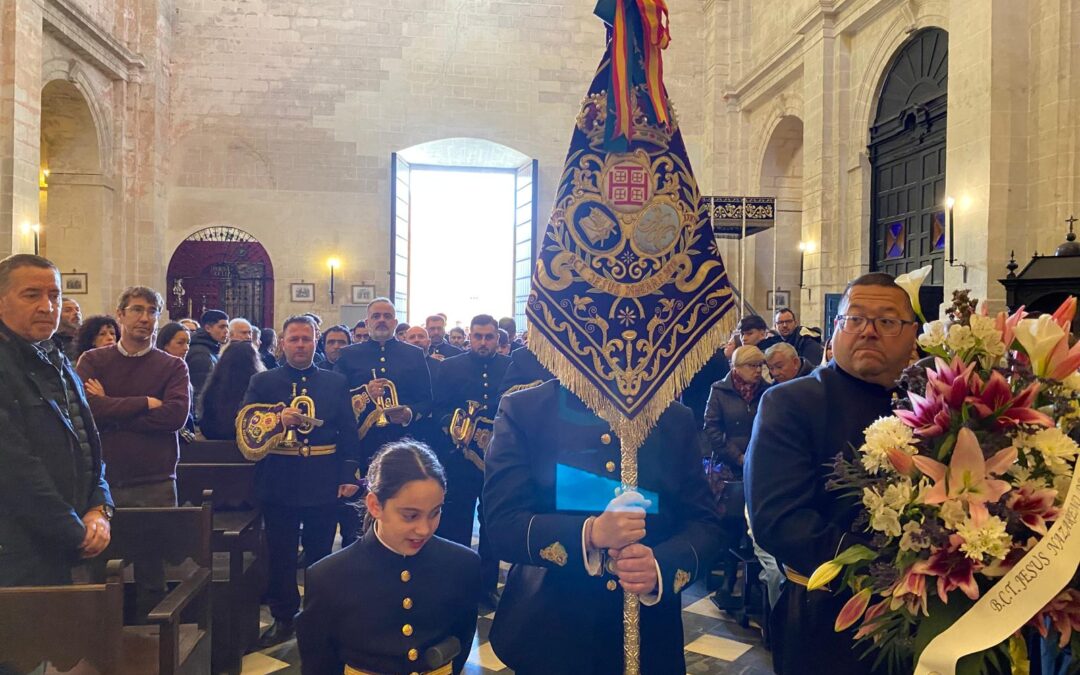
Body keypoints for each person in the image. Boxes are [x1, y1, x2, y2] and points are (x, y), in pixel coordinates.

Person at [745, 272, 920, 675]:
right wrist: (891, 570)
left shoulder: (934, 401)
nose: (869, 332)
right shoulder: (791, 402)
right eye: (855, 319)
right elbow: (779, 520)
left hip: (931, 618)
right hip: (828, 618)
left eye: (887, 321)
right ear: (835, 328)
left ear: (912, 335)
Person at [484, 382, 723, 674]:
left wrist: (662, 567)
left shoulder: (672, 417)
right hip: (552, 633)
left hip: (651, 636)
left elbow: (705, 524)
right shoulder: (525, 409)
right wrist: (589, 533)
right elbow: (502, 524)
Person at [296, 442, 480, 675]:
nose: (424, 529)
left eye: (435, 512)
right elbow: (319, 664)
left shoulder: (462, 565)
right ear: (375, 505)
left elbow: (460, 641)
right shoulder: (329, 577)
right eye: (410, 515)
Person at [237, 315, 362, 647]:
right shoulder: (263, 382)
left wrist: (350, 474)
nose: (301, 345)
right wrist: (277, 419)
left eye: (307, 338)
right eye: (294, 339)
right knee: (281, 554)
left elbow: (348, 432)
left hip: (323, 478)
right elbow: (247, 426)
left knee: (321, 553)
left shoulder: (335, 382)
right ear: (282, 342)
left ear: (316, 340)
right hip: (279, 478)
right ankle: (283, 616)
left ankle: (319, 614)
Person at [76, 286, 191, 618]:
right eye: (137, 310)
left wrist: (112, 409)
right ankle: (101, 645)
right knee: (99, 569)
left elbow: (174, 416)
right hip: (103, 481)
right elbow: (86, 411)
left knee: (152, 572)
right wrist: (143, 403)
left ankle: (151, 648)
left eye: (152, 311)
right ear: (120, 314)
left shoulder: (172, 366)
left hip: (154, 480)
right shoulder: (93, 360)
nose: (145, 318)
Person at [0, 254, 113, 587]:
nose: (47, 306)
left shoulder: (56, 358)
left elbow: (88, 442)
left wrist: (100, 508)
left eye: (54, 295)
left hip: (66, 542)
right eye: (31, 295)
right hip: (17, 552)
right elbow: (15, 469)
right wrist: (76, 531)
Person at [431, 315, 510, 610]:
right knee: (457, 522)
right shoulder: (450, 366)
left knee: (491, 523)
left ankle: (487, 585)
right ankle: (458, 583)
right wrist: (455, 430)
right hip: (460, 458)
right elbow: (438, 407)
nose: (483, 342)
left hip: (497, 459)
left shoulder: (508, 366)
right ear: (469, 337)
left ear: (497, 339)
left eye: (489, 337)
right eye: (478, 336)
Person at [703, 345, 768, 610]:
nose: (757, 372)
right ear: (737, 368)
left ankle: (753, 584)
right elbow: (712, 428)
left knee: (755, 524)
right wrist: (737, 456)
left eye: (760, 366)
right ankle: (728, 582)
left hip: (759, 463)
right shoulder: (720, 390)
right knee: (732, 525)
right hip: (731, 466)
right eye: (752, 366)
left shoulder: (766, 391)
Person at [334, 297, 433, 473]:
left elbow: (426, 400)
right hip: (362, 443)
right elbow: (336, 398)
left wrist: (409, 413)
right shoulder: (348, 354)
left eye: (387, 316)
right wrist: (365, 394)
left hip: (403, 441)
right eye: (376, 316)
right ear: (367, 322)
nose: (381, 320)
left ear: (395, 322)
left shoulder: (414, 354)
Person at [198, 340, 263, 440]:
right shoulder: (257, 387)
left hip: (215, 444)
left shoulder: (213, 387)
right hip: (249, 444)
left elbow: (205, 422)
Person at [157, 321, 195, 437]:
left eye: (188, 343)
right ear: (165, 345)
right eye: (180, 343)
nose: (186, 348)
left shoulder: (182, 367)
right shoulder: (159, 370)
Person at [187, 309, 229, 395]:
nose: (226, 331)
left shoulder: (210, 348)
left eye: (227, 327)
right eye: (222, 327)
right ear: (208, 328)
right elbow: (200, 391)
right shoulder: (200, 354)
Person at [53, 297, 82, 361]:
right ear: (57, 315)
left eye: (77, 309)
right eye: (68, 310)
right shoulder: (50, 341)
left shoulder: (88, 336)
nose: (76, 313)